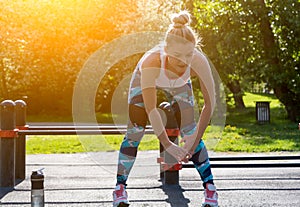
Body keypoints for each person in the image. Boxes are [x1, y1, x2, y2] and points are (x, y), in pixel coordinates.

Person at [113, 10, 218, 207]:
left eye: (188, 54)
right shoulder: (152, 61)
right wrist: (167, 144)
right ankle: (120, 188)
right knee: (135, 132)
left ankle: (210, 189)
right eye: (177, 55)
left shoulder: (198, 61)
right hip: (145, 80)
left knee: (190, 131)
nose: (183, 61)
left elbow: (210, 104)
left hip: (180, 84)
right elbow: (151, 109)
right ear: (166, 50)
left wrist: (192, 142)